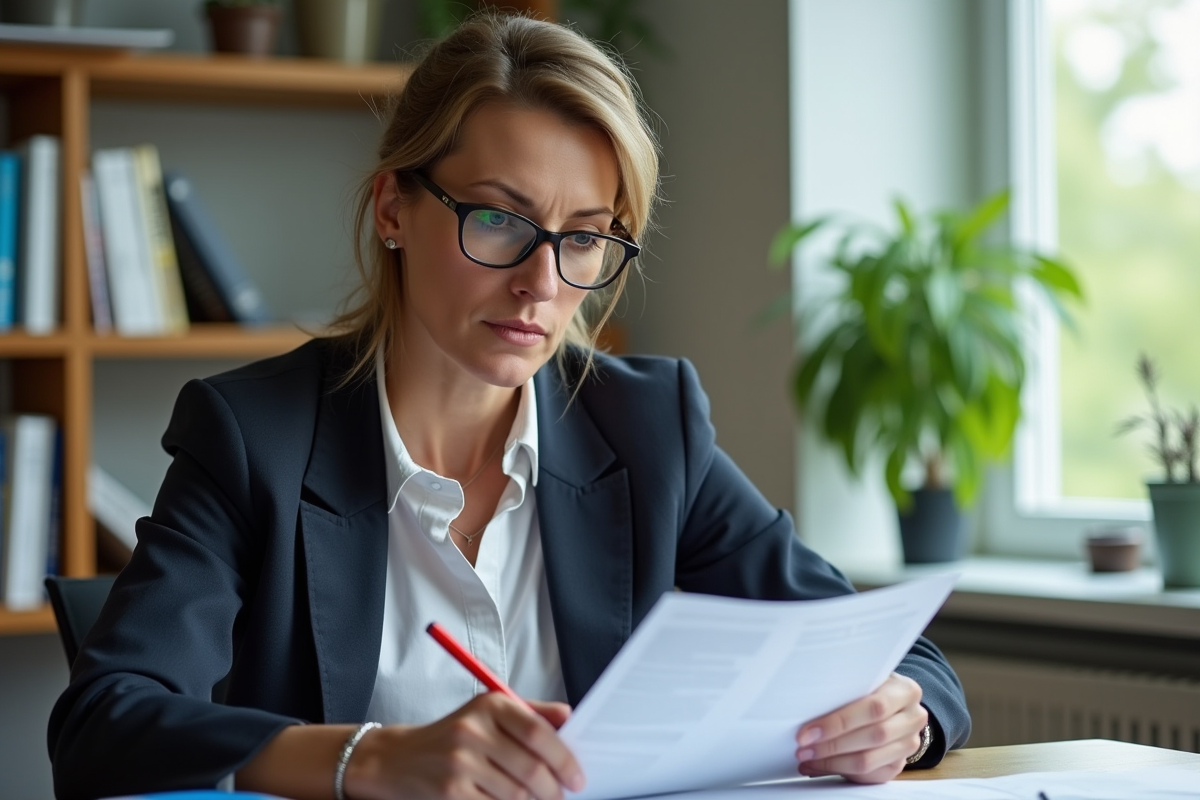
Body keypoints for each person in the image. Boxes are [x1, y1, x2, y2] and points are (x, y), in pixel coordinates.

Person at [48, 12, 970, 800]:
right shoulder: (257, 436)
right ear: (393, 210)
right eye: (498, 219)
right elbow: (102, 722)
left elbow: (888, 653)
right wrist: (371, 759)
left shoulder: (648, 428)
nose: (542, 281)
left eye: (585, 239)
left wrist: (904, 714)